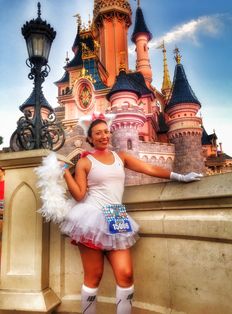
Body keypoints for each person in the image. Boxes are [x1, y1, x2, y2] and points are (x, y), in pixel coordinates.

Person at [57, 112, 202, 314]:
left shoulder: (121, 157)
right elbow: (80, 195)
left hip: (116, 217)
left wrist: (180, 176)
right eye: (98, 133)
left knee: (125, 274)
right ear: (90, 138)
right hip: (91, 218)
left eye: (106, 132)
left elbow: (148, 168)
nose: (104, 136)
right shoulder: (84, 162)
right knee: (94, 276)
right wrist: (64, 172)